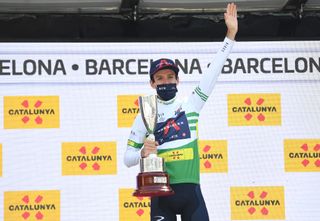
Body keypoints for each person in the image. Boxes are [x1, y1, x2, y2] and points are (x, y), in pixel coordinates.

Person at [124, 3, 238, 221]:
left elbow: (213, 71)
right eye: (160, 78)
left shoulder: (192, 104)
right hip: (160, 196)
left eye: (170, 77)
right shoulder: (145, 112)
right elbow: (127, 160)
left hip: (191, 196)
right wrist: (142, 153)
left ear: (178, 80)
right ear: (152, 83)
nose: (165, 81)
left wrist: (230, 35)